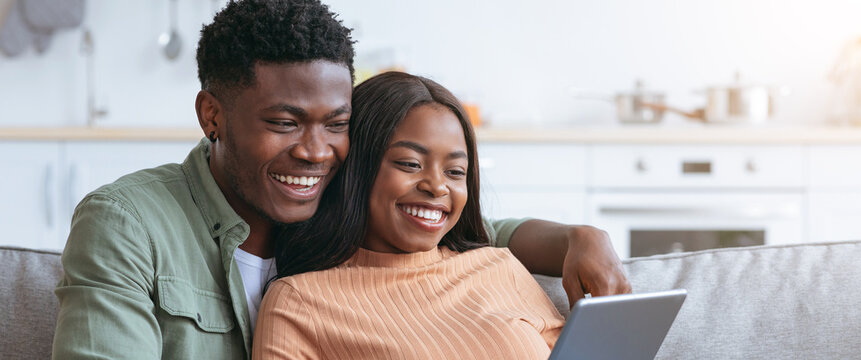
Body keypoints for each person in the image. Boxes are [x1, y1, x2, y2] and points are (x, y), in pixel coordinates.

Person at [51, 1, 629, 359]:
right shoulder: (129, 224)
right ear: (212, 116)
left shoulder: (339, 186)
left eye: (336, 125)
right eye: (283, 123)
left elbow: (460, 228)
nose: (313, 152)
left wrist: (580, 238)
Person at [253, 71, 566, 359]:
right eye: (410, 164)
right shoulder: (298, 303)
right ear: (357, 168)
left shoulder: (500, 267)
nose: (436, 186)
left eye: (455, 171)